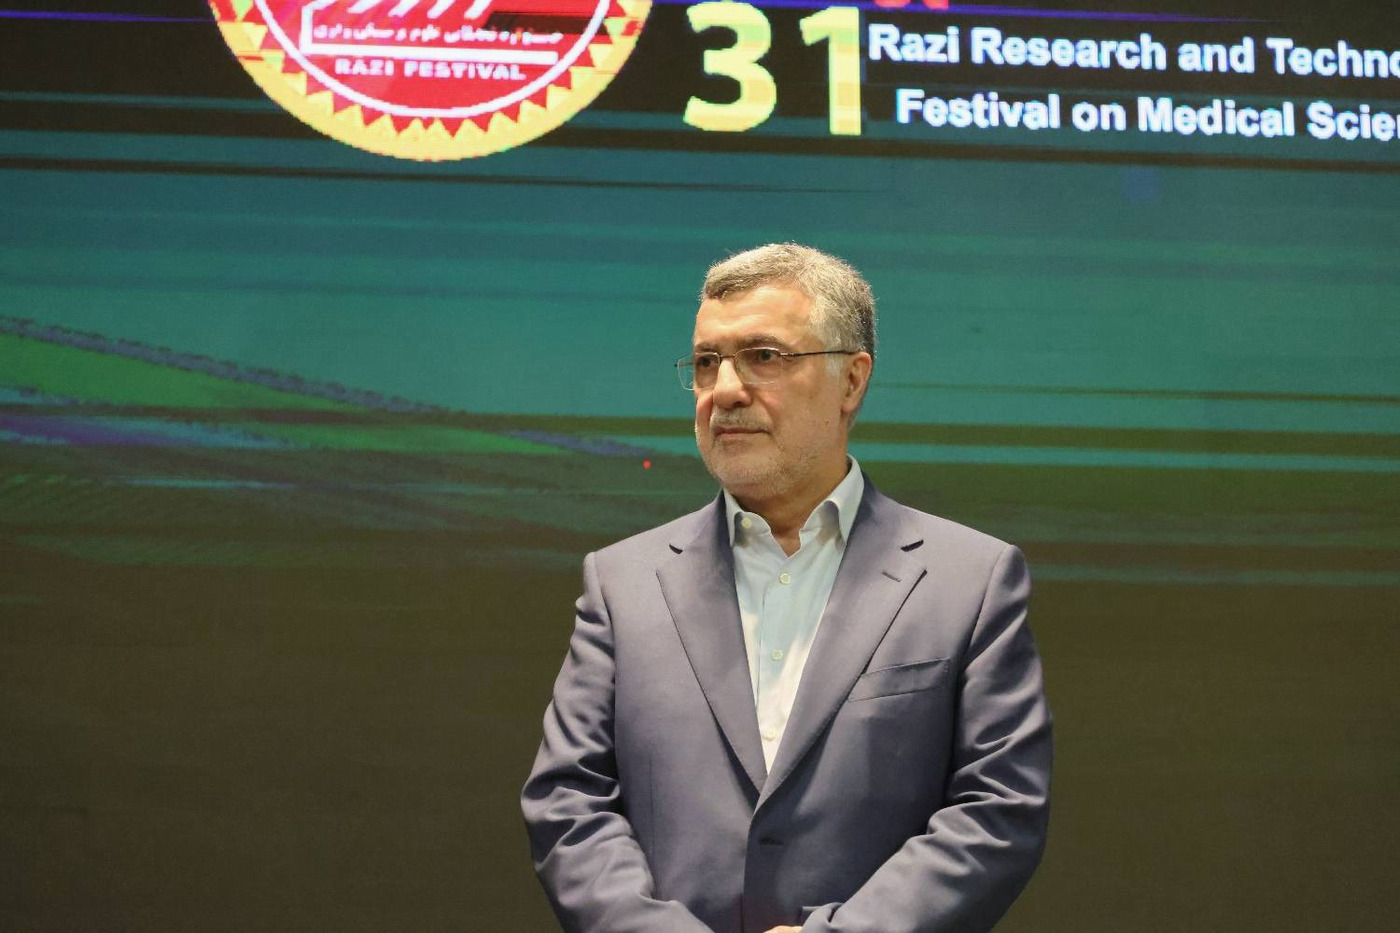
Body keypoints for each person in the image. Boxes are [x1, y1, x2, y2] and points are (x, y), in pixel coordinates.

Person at [521, 243, 1052, 933]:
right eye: (706, 363)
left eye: (763, 356)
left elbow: (997, 809)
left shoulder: (970, 580)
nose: (725, 390)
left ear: (851, 381)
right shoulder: (622, 583)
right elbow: (569, 802)